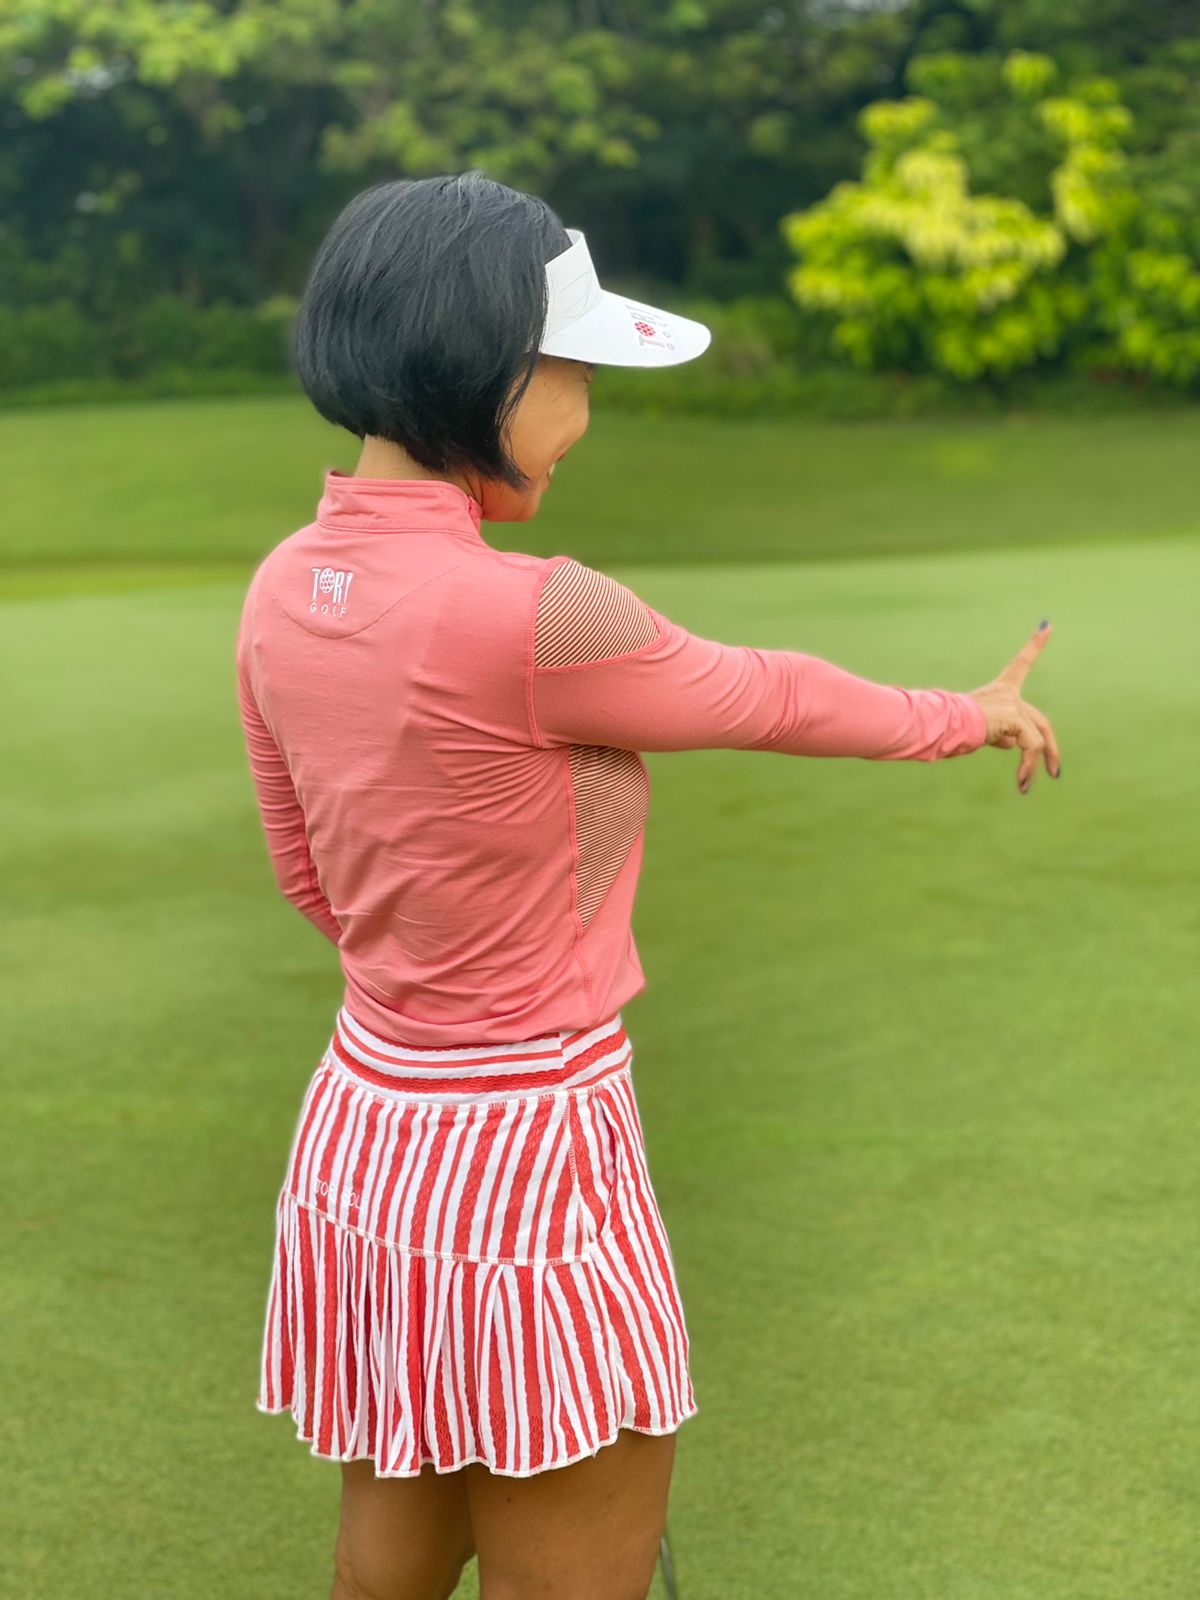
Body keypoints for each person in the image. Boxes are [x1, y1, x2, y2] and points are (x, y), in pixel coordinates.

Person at [234, 170, 1060, 1600]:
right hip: (530, 1145)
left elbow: (307, 871)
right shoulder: (538, 612)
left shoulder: (282, 586)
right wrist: (960, 712)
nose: (582, 412)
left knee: (386, 1573)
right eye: (571, 372)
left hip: (368, 1133)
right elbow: (767, 695)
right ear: (486, 366)